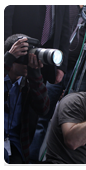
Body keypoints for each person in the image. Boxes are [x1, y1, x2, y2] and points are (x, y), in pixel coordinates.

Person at [28, 5, 86, 164]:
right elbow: (61, 33)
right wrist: (59, 67)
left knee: (73, 117)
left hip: (83, 72)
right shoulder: (67, 6)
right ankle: (30, 160)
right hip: (57, 67)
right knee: (43, 113)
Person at [4, 34, 50, 165]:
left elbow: (43, 109)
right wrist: (8, 58)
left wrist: (35, 74)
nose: (28, 62)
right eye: (25, 56)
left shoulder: (28, 83)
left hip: (14, 144)